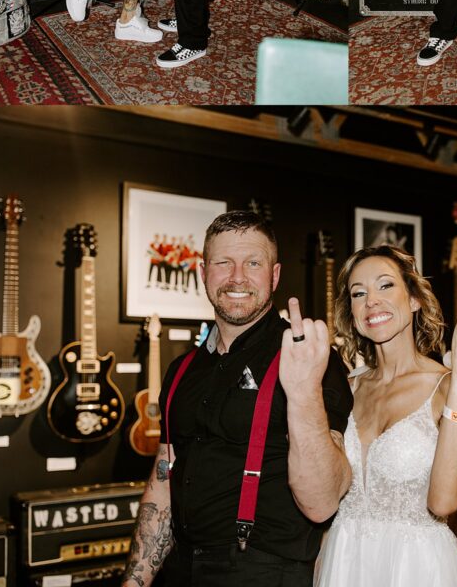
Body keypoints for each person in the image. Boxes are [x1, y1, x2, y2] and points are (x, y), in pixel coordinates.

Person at [121, 209, 353, 587]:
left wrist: (305, 390)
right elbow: (163, 480)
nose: (237, 277)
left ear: (275, 275)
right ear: (202, 272)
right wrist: (135, 581)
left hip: (264, 572)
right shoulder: (181, 369)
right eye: (223, 263)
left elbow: (323, 501)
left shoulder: (311, 359)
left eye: (253, 263)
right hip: (179, 570)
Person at [314, 245, 457, 587]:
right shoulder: (345, 388)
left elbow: (444, 501)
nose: (371, 300)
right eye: (359, 293)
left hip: (416, 569)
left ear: (415, 299)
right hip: (343, 562)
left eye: (385, 285)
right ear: (353, 312)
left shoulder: (449, 387)